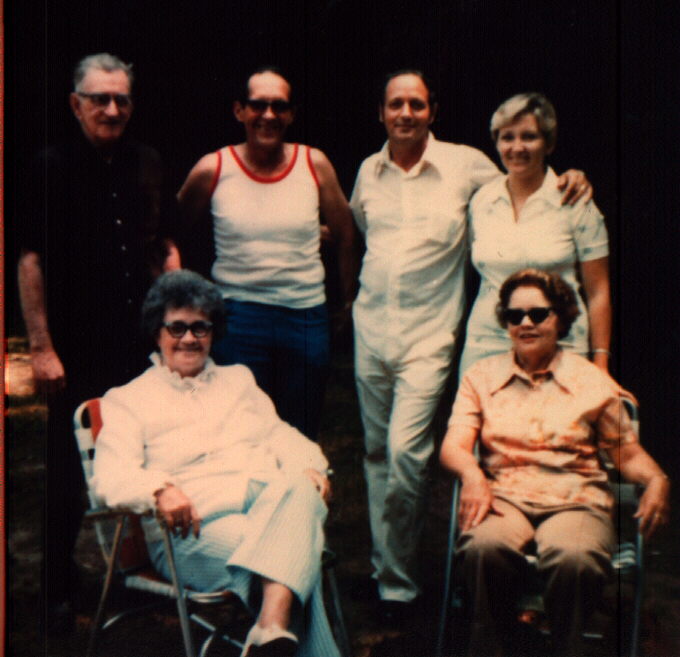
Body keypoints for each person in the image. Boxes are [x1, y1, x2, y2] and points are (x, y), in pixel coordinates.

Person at [349, 69, 592, 618]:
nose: (405, 114)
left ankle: (431, 581)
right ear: (381, 112)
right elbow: (365, 235)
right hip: (371, 330)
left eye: (416, 104)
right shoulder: (367, 171)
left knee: (406, 454)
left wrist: (573, 177)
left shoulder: (466, 167)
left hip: (431, 335)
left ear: (432, 111)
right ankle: (393, 577)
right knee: (376, 454)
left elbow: (524, 175)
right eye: (395, 104)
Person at [91, 270, 340, 657]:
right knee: (294, 552)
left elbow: (279, 434)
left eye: (200, 328)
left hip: (266, 508)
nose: (189, 338)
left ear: (213, 332)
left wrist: (310, 464)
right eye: (177, 328)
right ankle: (272, 626)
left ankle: (270, 626)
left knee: (296, 492)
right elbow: (110, 477)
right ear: (156, 332)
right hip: (191, 531)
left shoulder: (238, 380)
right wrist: (159, 490)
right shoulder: (127, 399)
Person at [16, 52, 178, 633]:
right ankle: (56, 593)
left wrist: (174, 316)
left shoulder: (148, 162)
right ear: (75, 104)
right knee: (68, 473)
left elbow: (163, 246)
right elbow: (29, 261)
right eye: (99, 99)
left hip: (138, 345)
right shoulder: (48, 166)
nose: (111, 109)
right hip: (75, 348)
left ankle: (145, 574)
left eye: (121, 99)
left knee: (149, 458)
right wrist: (41, 348)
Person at [439, 268, 670, 657]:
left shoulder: (590, 380)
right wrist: (472, 475)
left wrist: (658, 480)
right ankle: (494, 647)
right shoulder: (481, 377)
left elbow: (626, 453)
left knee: (574, 559)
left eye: (538, 313)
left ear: (560, 319)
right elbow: (454, 445)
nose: (526, 323)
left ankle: (568, 648)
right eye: (515, 315)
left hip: (576, 500)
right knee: (482, 548)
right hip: (504, 497)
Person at [177, 67, 357, 439]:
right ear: (239, 110)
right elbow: (172, 232)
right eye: (258, 105)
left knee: (300, 432)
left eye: (280, 106)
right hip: (238, 318)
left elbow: (345, 233)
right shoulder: (214, 167)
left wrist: (348, 300)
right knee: (240, 431)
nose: (269, 115)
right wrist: (189, 301)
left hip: (304, 316)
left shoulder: (313, 164)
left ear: (291, 114)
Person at [460, 92, 615, 376]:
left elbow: (598, 291)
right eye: (507, 137)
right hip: (487, 346)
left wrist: (601, 362)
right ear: (496, 143)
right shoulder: (481, 201)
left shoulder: (575, 201)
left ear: (549, 143)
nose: (517, 147)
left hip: (561, 344)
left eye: (529, 137)